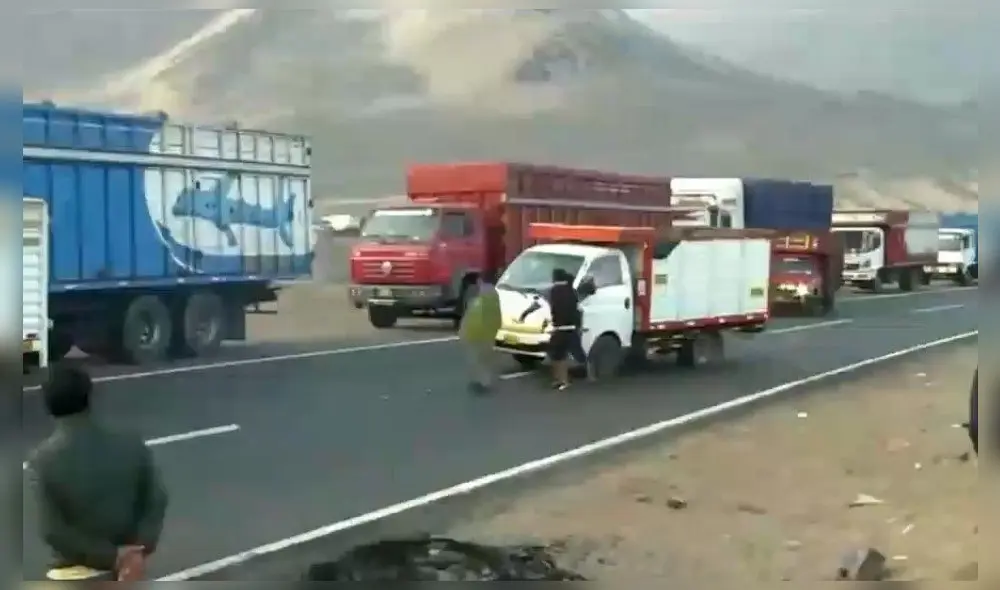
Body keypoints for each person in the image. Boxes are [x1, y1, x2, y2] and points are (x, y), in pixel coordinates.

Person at [26, 362, 168, 581]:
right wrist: (136, 551)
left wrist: (112, 557)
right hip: (127, 570)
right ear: (89, 398)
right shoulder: (131, 443)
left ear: (48, 405)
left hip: (73, 570)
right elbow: (156, 500)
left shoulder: (43, 459)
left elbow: (52, 531)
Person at [459, 278, 502, 393]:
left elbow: (467, 318)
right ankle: (484, 382)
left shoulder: (475, 300)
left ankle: (479, 382)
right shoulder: (493, 299)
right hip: (487, 334)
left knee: (475, 359)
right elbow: (497, 317)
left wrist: (462, 333)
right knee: (485, 359)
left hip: (475, 334)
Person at [547, 268, 581, 390]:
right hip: (570, 327)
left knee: (558, 355)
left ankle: (563, 380)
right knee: (560, 354)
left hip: (560, 327)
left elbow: (554, 308)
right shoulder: (571, 291)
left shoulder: (555, 291)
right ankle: (560, 380)